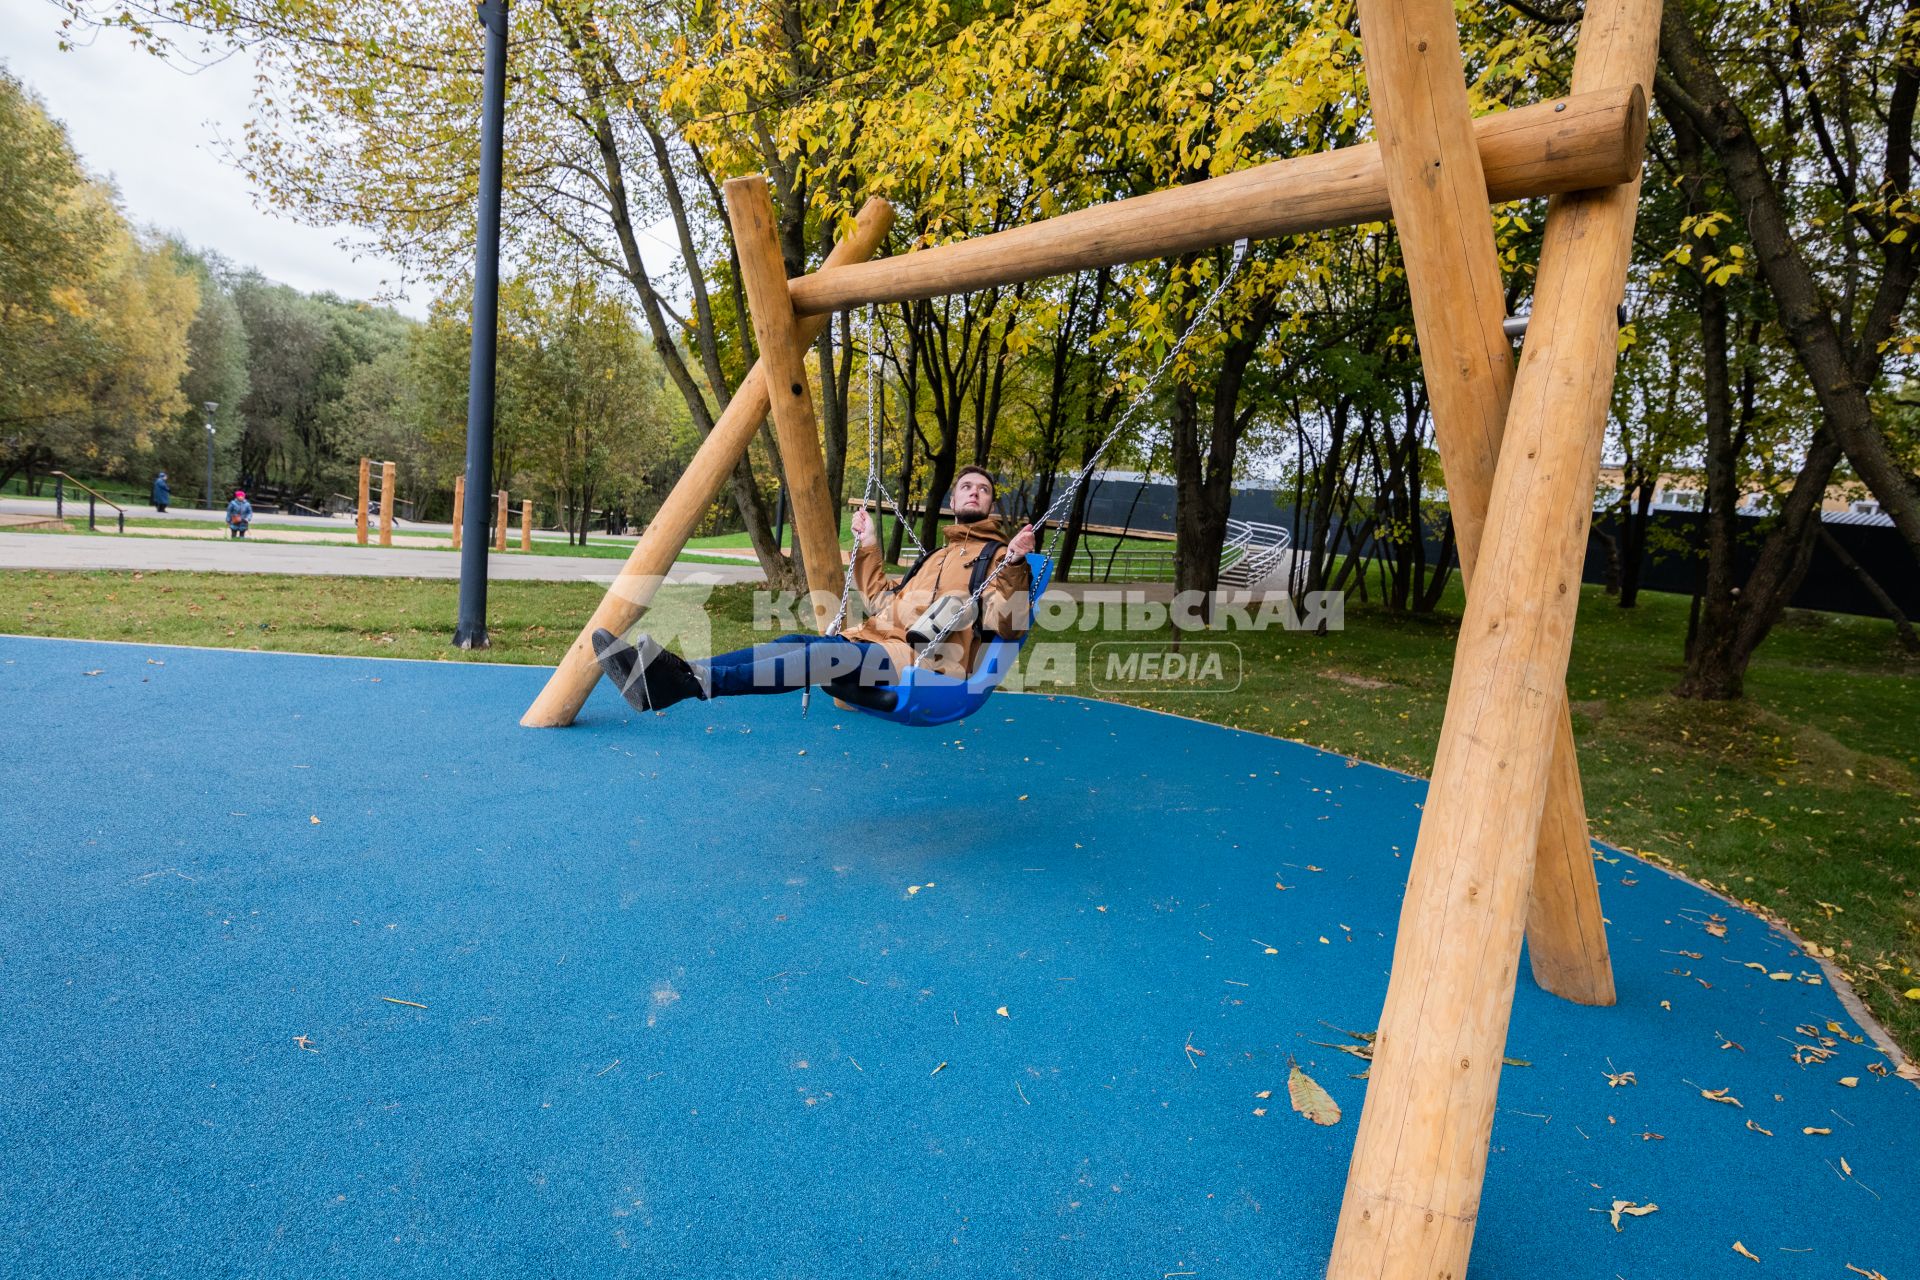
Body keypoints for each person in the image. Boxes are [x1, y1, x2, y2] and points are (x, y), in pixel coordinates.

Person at [595, 465, 1036, 712]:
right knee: (790, 642)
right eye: (966, 487)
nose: (974, 493)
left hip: (925, 665)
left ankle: (682, 682)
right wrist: (867, 546)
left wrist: (1015, 564)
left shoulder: (998, 560)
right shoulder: (936, 557)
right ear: (953, 501)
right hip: (875, 643)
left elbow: (1010, 625)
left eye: (983, 490)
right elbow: (885, 602)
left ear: (991, 505)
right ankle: (668, 676)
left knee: (819, 657)